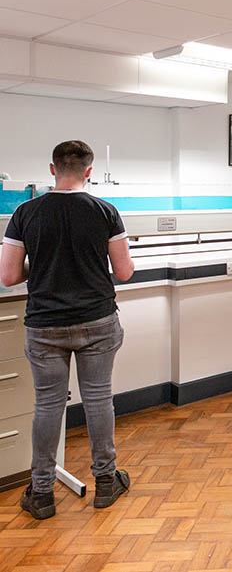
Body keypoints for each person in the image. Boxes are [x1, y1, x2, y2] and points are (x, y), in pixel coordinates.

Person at [0, 140, 135, 520]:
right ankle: (106, 482)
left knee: (47, 406)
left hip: (45, 326)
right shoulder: (106, 211)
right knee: (98, 401)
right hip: (97, 322)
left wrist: (41, 268)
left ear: (52, 169)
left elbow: (9, 275)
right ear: (89, 171)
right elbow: (123, 272)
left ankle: (41, 492)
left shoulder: (26, 212)